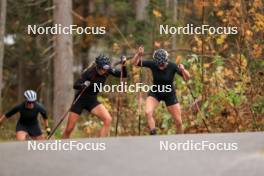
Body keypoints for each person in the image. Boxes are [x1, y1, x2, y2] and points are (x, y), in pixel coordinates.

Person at [62, 55, 127, 138]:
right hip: (80, 101)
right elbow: (75, 85)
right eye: (102, 69)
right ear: (98, 67)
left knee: (108, 119)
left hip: (92, 101)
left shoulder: (107, 70)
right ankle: (61, 146)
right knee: (69, 129)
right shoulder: (89, 72)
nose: (104, 71)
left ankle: (100, 144)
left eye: (106, 69)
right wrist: (83, 85)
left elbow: (123, 74)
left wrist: (124, 64)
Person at [131, 46, 190, 135]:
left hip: (169, 94)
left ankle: (180, 140)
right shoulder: (153, 64)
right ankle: (154, 135)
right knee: (148, 112)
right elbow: (135, 63)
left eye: (163, 64)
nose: (161, 67)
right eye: (159, 65)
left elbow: (187, 78)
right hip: (156, 92)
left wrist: (183, 70)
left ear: (166, 60)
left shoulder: (172, 66)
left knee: (179, 122)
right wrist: (138, 55)